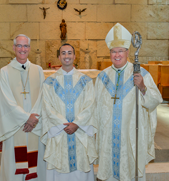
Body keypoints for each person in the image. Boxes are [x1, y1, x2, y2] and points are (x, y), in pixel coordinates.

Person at [95, 23, 163, 181]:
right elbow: (95, 108)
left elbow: (156, 100)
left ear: (127, 52)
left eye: (120, 51)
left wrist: (143, 87)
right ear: (109, 53)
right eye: (113, 51)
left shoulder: (140, 73)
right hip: (108, 139)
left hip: (131, 137)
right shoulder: (102, 77)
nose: (117, 55)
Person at [0, 34, 46, 181]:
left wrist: (34, 118)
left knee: (36, 160)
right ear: (14, 48)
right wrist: (26, 118)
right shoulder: (5, 72)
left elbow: (43, 97)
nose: (23, 49)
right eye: (19, 46)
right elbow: (6, 100)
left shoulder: (38, 70)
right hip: (15, 126)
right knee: (13, 165)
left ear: (30, 49)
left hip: (35, 125)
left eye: (26, 46)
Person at [41, 43, 98, 181]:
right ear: (59, 57)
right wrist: (64, 125)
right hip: (59, 132)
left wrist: (77, 124)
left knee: (80, 169)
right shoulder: (49, 82)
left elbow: (90, 105)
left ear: (74, 56)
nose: (67, 56)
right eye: (63, 53)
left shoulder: (86, 81)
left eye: (69, 53)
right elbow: (47, 106)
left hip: (79, 132)